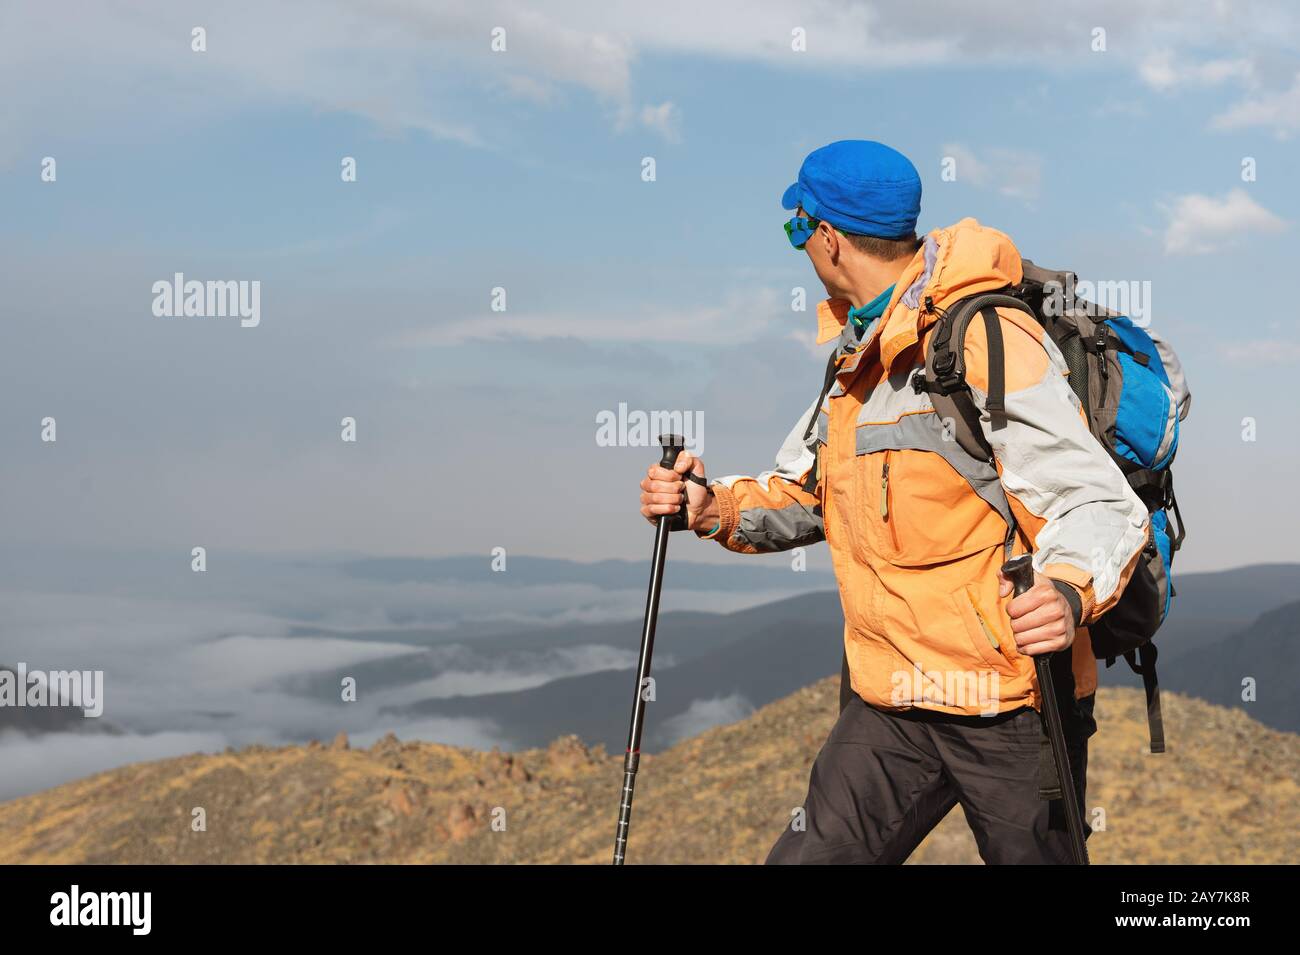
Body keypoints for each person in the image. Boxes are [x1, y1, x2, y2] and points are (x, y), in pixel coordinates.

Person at [637, 140, 1150, 864]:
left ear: (829, 239)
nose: (800, 246)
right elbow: (806, 492)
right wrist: (706, 504)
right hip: (889, 699)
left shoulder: (985, 337)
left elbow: (1098, 499)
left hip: (1011, 700)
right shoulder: (857, 358)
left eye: (797, 229)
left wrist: (1066, 590)